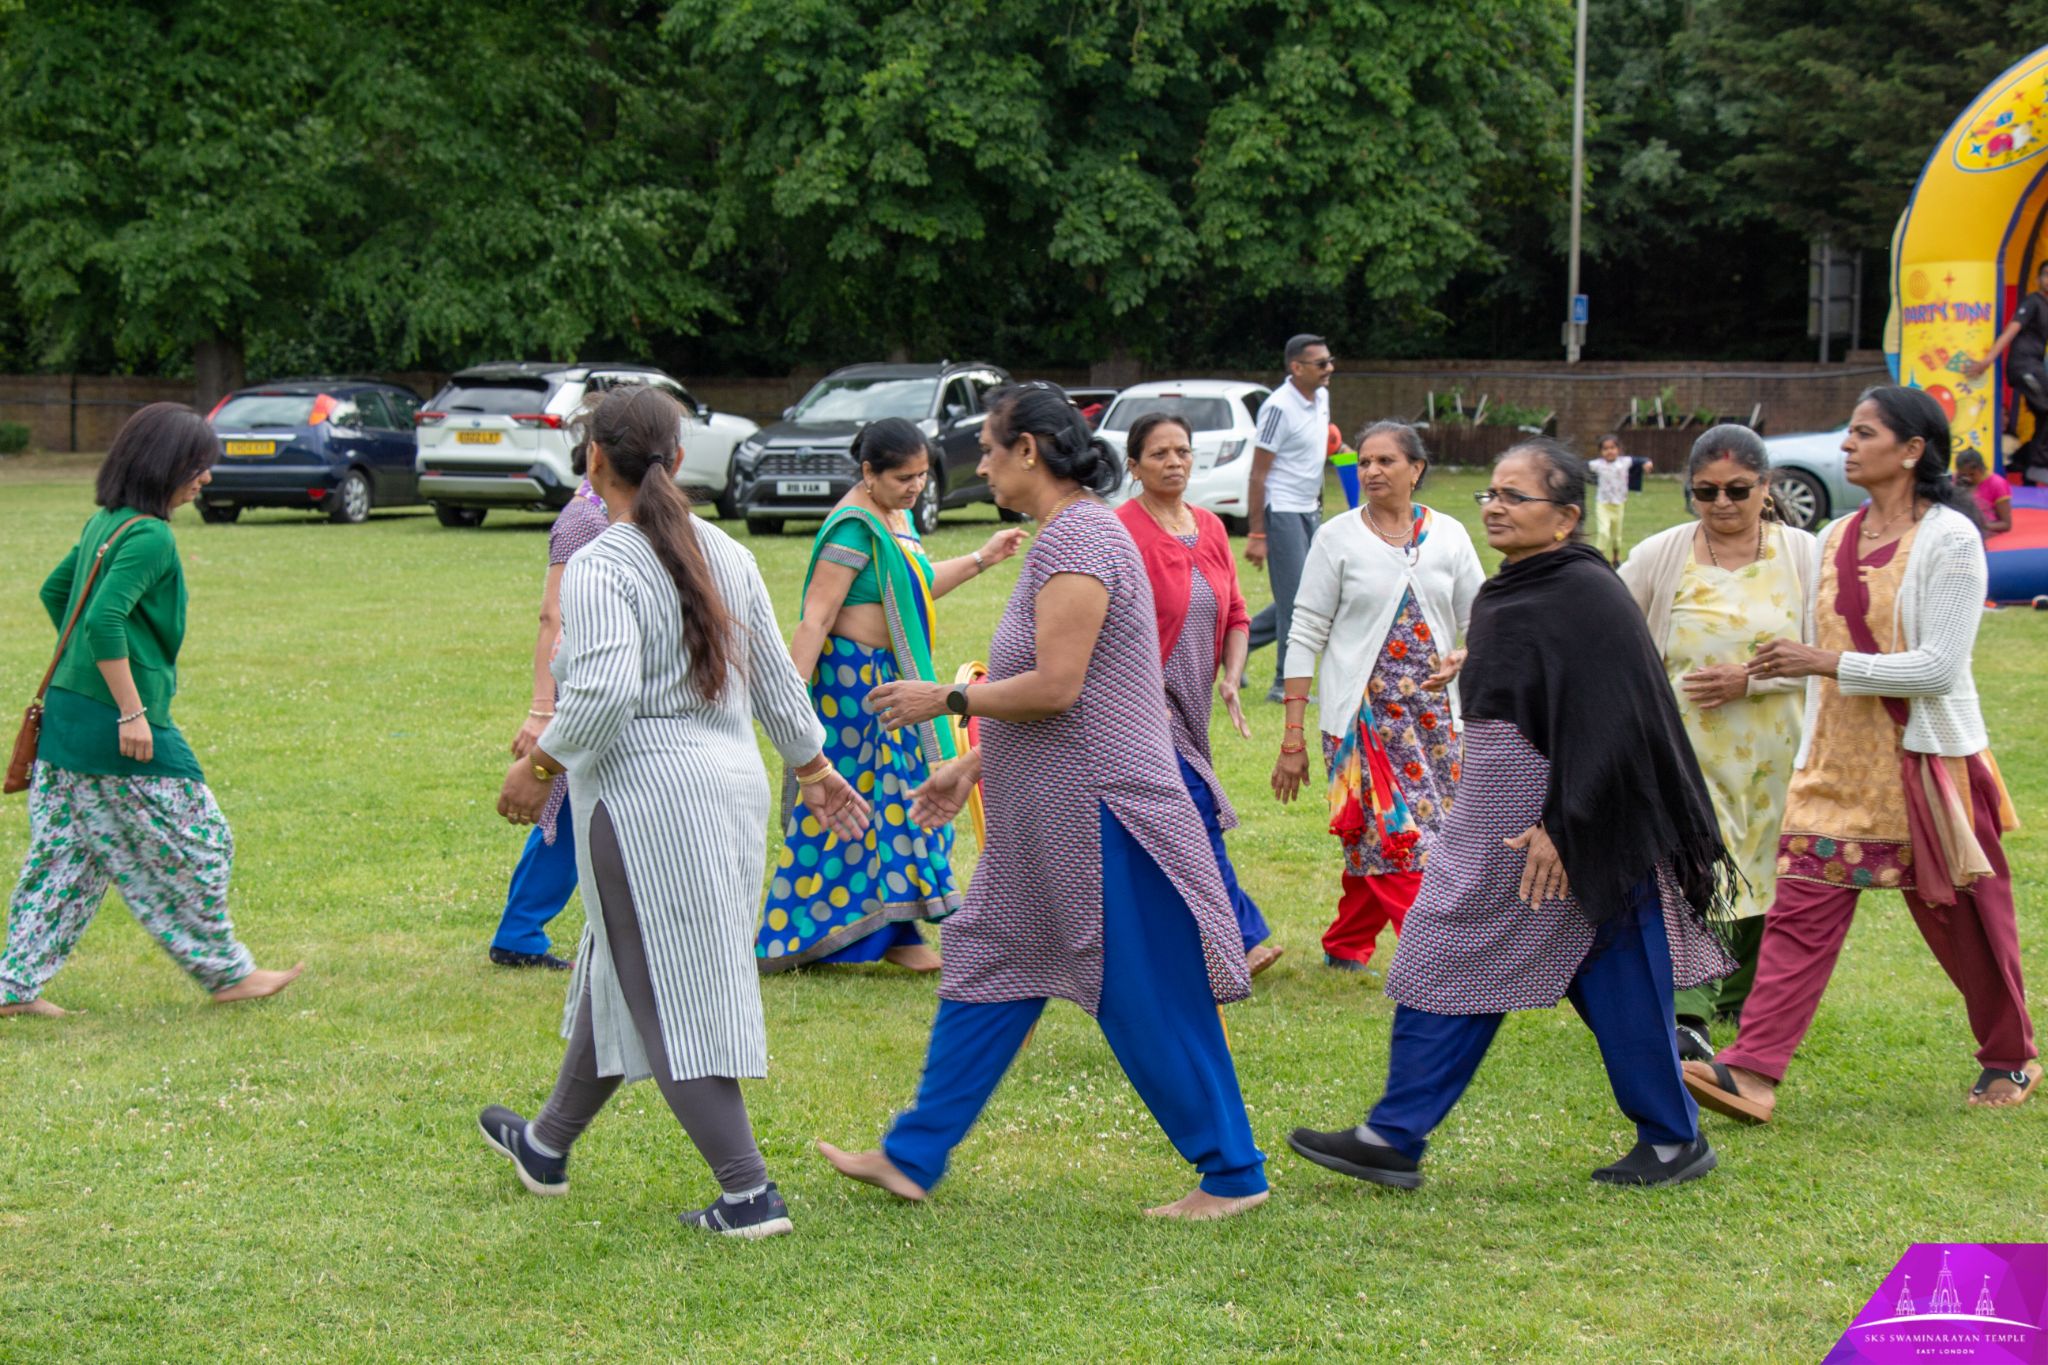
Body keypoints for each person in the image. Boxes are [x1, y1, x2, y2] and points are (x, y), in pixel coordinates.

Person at [818, 382, 1268, 1220]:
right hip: (1043, 822)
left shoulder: (1082, 537)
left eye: (990, 450)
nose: (982, 466)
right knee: (987, 959)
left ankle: (1233, 1173)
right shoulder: (1066, 535)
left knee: (1144, 994)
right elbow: (1075, 694)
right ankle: (912, 1155)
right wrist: (973, 765)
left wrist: (947, 700)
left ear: (1029, 450)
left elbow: (1059, 687)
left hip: (1102, 818)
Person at [1287, 439, 1735, 1190]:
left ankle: (1400, 1134)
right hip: (1502, 828)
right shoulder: (1516, 587)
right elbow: (1539, 677)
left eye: (1514, 496)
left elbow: (1616, 717)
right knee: (1562, 964)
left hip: (1566, 830)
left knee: (1555, 962)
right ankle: (1399, 1134)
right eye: (1490, 493)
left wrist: (1566, 824)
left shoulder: (1585, 593)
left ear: (1565, 517)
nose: (1494, 507)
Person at [480, 385, 871, 1239]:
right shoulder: (726, 551)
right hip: (727, 794)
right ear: (678, 457)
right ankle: (546, 1143)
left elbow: (604, 693)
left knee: (664, 985)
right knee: (620, 962)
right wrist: (811, 765)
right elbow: (777, 676)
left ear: (593, 459)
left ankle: (748, 1193)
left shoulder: (602, 563)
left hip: (647, 806)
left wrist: (538, 767)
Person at [1685, 386, 2040, 1123]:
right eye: (1848, 432)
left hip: (1925, 764)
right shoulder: (1835, 535)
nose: (1847, 444)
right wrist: (1755, 675)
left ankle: (2010, 1053)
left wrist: (1822, 662)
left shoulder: (1952, 538)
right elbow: (1817, 654)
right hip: (1834, 764)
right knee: (1799, 915)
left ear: (1911, 450)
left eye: (1864, 433)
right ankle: (1751, 1072)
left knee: (1966, 921)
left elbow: (1939, 667)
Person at [2, 403, 303, 1017]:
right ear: (164, 466)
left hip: (67, 717)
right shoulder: (151, 536)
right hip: (111, 726)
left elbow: (56, 592)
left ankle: (11, 989)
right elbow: (103, 619)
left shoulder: (107, 523)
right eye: (197, 466)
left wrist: (89, 668)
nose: (206, 478)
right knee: (203, 840)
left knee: (66, 860)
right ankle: (227, 973)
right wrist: (130, 709)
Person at [757, 417, 1024, 972]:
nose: (916, 487)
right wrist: (790, 700)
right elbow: (816, 619)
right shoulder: (853, 528)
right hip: (852, 689)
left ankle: (892, 929)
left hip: (888, 679)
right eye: (904, 477)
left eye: (922, 475)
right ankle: (816, 932)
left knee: (896, 798)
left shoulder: (895, 518)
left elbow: (916, 587)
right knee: (860, 803)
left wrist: (983, 558)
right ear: (868, 472)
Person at [1618, 425, 1820, 1062]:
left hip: (1778, 746)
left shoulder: (1804, 555)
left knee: (1766, 860)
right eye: (1705, 491)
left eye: (1737, 489)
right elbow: (1612, 627)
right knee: (1699, 862)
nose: (1722, 503)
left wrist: (1751, 680)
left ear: (1766, 487)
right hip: (1686, 748)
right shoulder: (1661, 553)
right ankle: (1691, 1005)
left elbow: (1829, 655)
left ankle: (1739, 991)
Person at [1272, 421, 1484, 974]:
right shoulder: (1336, 538)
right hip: (1362, 721)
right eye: (1364, 462)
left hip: (1436, 720)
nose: (1371, 471)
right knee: (1399, 838)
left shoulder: (1450, 535)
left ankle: (1347, 942)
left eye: (1386, 461)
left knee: (1419, 834)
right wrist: (1293, 736)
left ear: (1416, 469)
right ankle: (1436, 957)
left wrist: (1466, 654)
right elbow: (1305, 633)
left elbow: (1480, 620)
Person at [1114, 412, 1279, 976]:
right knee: (1195, 810)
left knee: (1165, 826)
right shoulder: (1122, 531)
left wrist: (1231, 676)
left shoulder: (1208, 526)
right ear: (1134, 466)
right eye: (1159, 454)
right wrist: (1137, 693)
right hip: (1142, 704)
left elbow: (1236, 613)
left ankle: (1161, 941)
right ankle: (1240, 939)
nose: (1174, 462)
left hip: (1193, 704)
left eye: (1182, 451)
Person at [491, 473, 608, 971]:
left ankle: (519, 931)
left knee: (565, 813)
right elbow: (551, 617)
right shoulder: (582, 519)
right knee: (564, 814)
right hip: (579, 685)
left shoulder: (601, 511)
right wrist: (543, 709)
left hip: (595, 677)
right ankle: (519, 933)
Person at [1244, 334, 1336, 702]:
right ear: (1296, 367)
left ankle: (1237, 643)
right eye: (1321, 363)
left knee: (1303, 594)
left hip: (1309, 508)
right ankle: (1283, 683)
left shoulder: (1321, 397)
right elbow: (1257, 474)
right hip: (1281, 509)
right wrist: (1257, 533)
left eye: (1330, 361)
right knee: (1298, 601)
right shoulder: (1278, 408)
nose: (1329, 369)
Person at [1963, 261, 2048, 485]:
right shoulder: (2033, 301)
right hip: (2024, 366)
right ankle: (2037, 464)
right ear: (2038, 279)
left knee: (2043, 415)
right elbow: (2011, 330)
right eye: (2046, 274)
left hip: (2037, 367)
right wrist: (1987, 360)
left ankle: (2028, 466)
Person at [1591, 434, 1631, 566]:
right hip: (1603, 504)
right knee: (1603, 532)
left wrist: (1647, 463)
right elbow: (1581, 466)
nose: (1609, 451)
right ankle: (1598, 558)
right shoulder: (1597, 465)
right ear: (1600, 452)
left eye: (1612, 448)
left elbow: (1640, 461)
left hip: (1619, 505)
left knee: (1616, 536)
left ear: (1618, 449)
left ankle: (1616, 557)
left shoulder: (1624, 462)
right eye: (1605, 449)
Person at [1955, 450, 2013, 536]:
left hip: (1985, 532)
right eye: (1964, 474)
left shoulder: (1997, 484)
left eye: (1972, 474)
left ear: (1982, 469)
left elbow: (2006, 525)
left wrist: (1981, 526)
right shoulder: (1958, 480)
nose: (1968, 478)